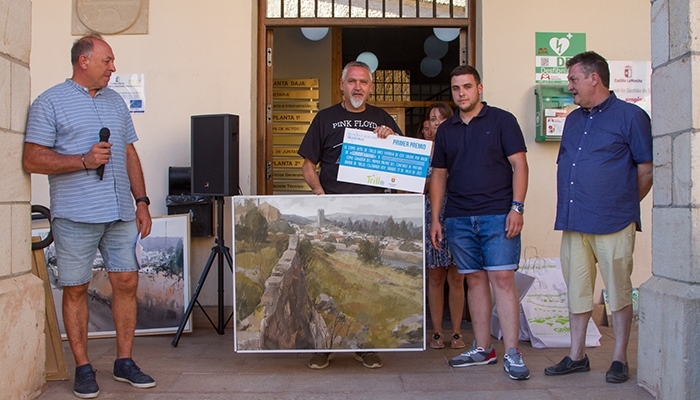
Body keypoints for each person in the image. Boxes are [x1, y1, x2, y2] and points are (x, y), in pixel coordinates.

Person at [23, 34, 155, 399]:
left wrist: (141, 201)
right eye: (107, 61)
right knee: (76, 288)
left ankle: (124, 361)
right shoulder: (50, 102)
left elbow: (128, 153)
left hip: (119, 212)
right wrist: (82, 160)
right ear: (84, 61)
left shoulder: (116, 102)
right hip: (75, 214)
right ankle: (83, 367)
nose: (113, 68)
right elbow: (32, 159)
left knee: (127, 282)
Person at [544, 51, 653, 384]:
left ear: (595, 78)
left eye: (574, 79)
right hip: (574, 220)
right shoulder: (574, 119)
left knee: (618, 291)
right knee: (577, 291)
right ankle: (577, 355)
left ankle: (619, 357)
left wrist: (620, 203)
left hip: (613, 221)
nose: (570, 86)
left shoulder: (631, 116)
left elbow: (646, 170)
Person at [298, 60, 402, 369]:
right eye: (352, 81)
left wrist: (391, 138)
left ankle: (365, 345)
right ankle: (323, 346)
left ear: (370, 87)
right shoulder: (325, 119)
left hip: (373, 215)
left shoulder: (382, 118)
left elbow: (402, 162)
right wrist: (319, 193)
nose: (358, 87)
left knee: (368, 282)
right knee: (327, 279)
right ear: (342, 85)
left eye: (364, 82)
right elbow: (308, 164)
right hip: (334, 211)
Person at [430, 65, 531, 380]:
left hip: (498, 216)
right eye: (456, 88)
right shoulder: (446, 130)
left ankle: (512, 353)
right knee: (473, 280)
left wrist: (517, 208)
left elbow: (520, 165)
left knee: (502, 279)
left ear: (480, 88)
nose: (462, 93)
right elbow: (439, 175)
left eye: (467, 87)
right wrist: (436, 218)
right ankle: (483, 348)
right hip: (458, 217)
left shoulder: (503, 121)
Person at [422, 103, 466, 350]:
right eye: (432, 118)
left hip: (458, 214)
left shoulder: (460, 145)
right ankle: (437, 332)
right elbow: (417, 186)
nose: (436, 122)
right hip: (432, 216)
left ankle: (457, 332)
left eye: (441, 117)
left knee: (457, 277)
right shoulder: (424, 152)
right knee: (436, 276)